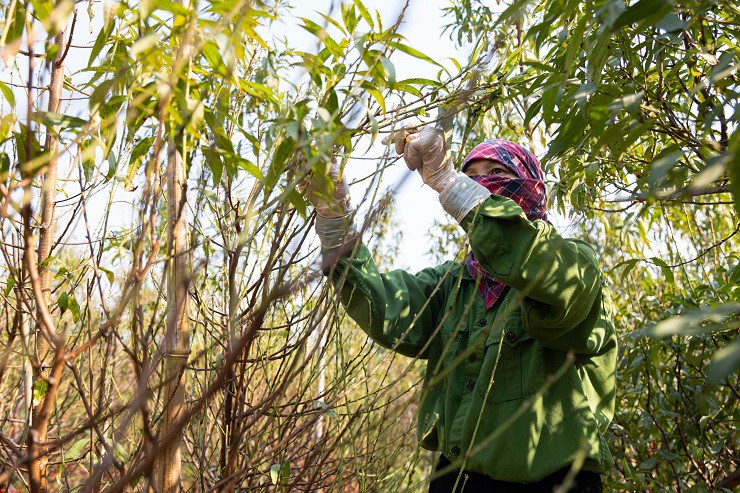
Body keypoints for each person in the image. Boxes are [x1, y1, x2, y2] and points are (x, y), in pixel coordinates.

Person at [302, 125, 617, 493]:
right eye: (470, 178)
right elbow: (383, 305)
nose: (480, 186)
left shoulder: (573, 264)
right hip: (458, 479)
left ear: (530, 185)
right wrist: (333, 217)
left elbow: (543, 273)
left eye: (497, 174)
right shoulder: (454, 283)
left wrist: (451, 183)